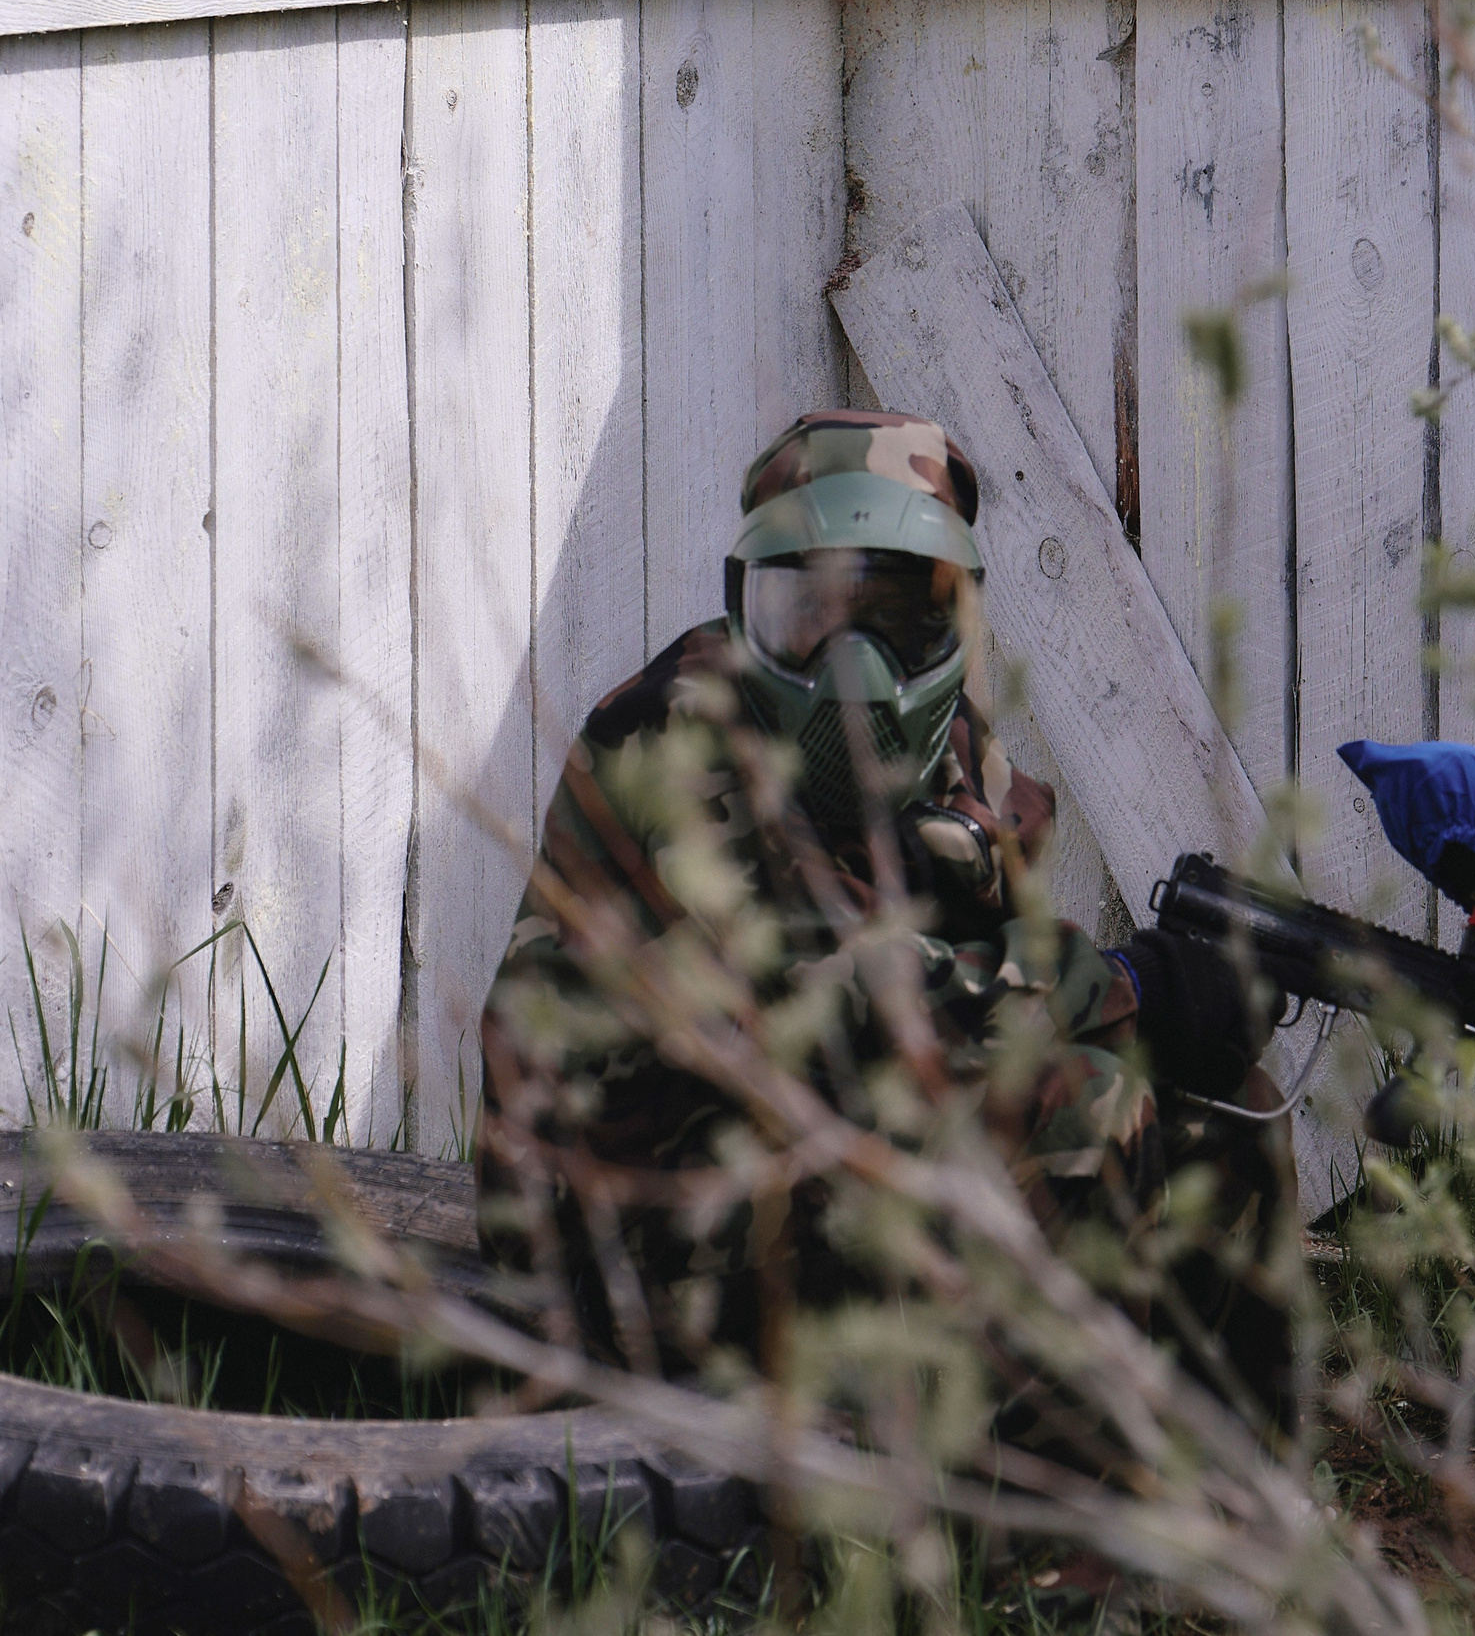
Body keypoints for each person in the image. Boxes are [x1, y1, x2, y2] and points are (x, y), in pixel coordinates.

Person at [473, 410, 1295, 1442]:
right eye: (805, 606)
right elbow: (833, 991)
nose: (845, 656)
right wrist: (1132, 979)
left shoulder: (952, 738)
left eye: (893, 612)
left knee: (1222, 1110)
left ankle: (1237, 1498)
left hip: (813, 1165)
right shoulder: (673, 732)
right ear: (746, 604)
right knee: (1076, 1108)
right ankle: (1046, 1562)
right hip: (618, 1237)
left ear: (953, 616)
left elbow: (979, 994)